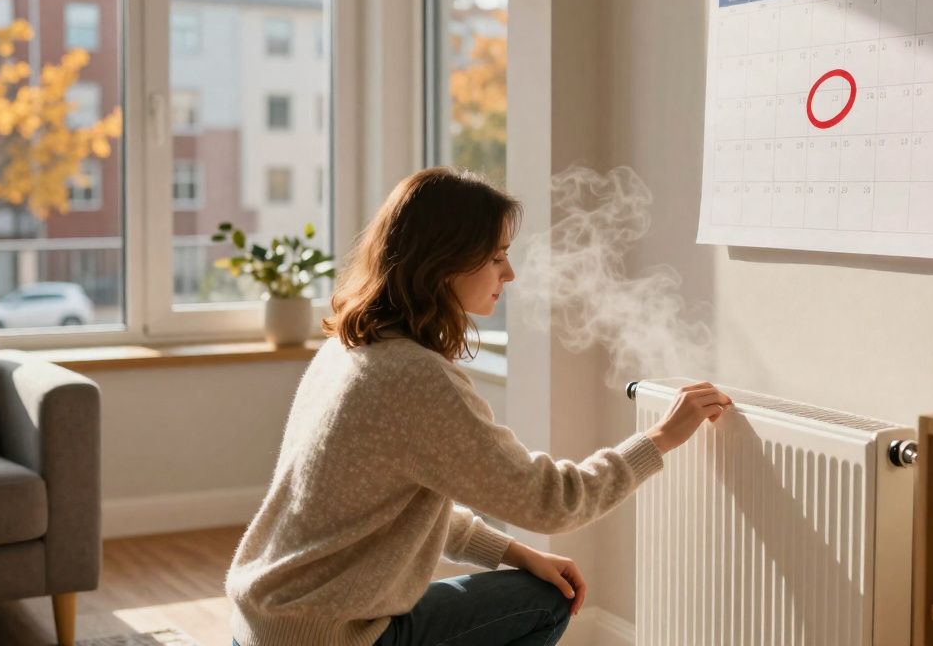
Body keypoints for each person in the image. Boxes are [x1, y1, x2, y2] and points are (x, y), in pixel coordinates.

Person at [226, 167, 733, 646]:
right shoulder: (413, 377)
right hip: (330, 636)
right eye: (496, 256)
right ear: (444, 261)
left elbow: (392, 509)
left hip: (267, 622)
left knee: (532, 581)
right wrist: (661, 437)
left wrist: (513, 552)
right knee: (544, 602)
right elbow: (553, 500)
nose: (509, 272)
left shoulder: (353, 347)